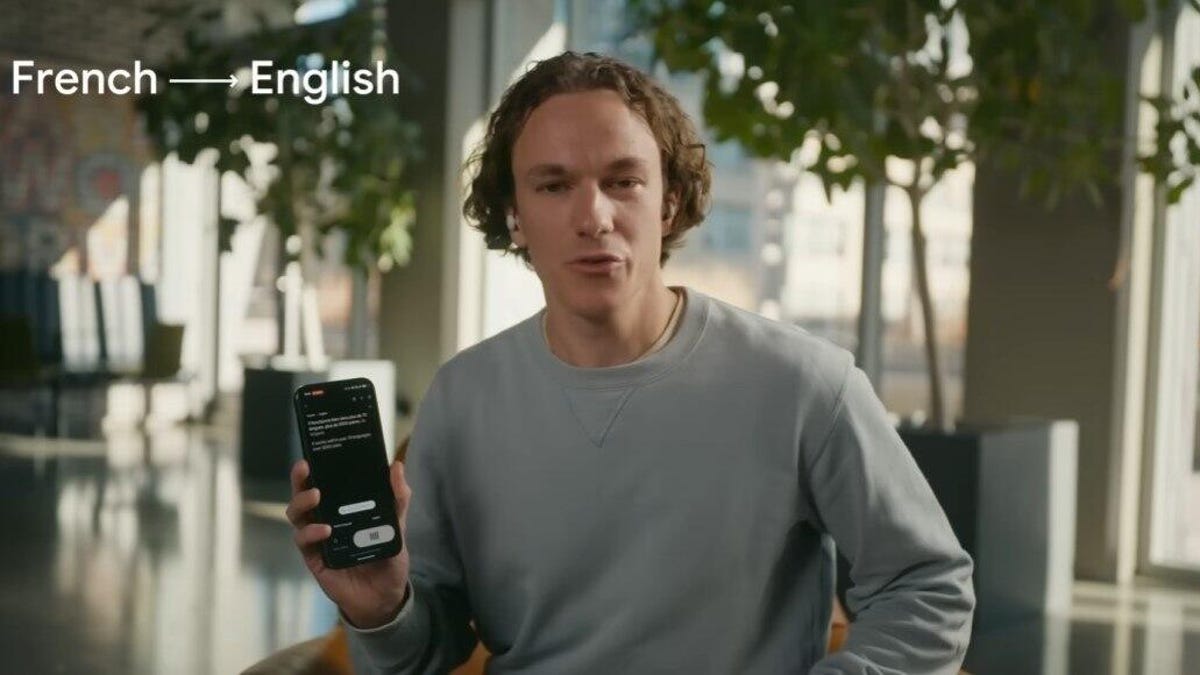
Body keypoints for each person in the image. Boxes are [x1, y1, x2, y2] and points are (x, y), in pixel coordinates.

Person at [286, 51, 975, 674]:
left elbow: (928, 585)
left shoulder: (805, 384)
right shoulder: (463, 398)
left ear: (670, 199)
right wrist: (381, 607)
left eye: (624, 181)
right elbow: (426, 649)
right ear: (514, 214)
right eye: (553, 186)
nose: (594, 216)